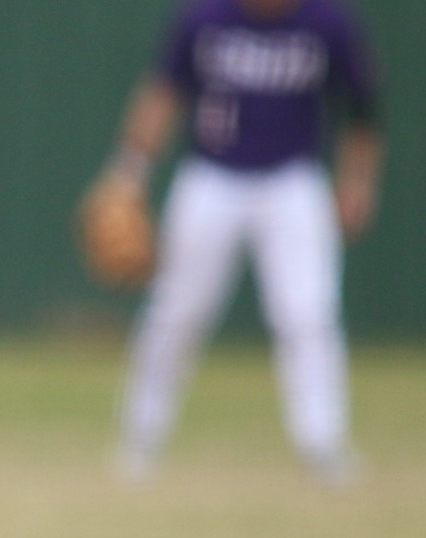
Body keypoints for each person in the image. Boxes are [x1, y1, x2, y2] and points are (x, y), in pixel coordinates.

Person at [98, 0, 383, 484]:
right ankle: (139, 441)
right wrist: (129, 171)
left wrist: (357, 180)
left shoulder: (326, 21)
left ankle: (323, 444)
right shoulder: (205, 17)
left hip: (293, 182)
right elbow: (163, 93)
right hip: (212, 178)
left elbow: (361, 107)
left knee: (308, 314)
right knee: (175, 313)